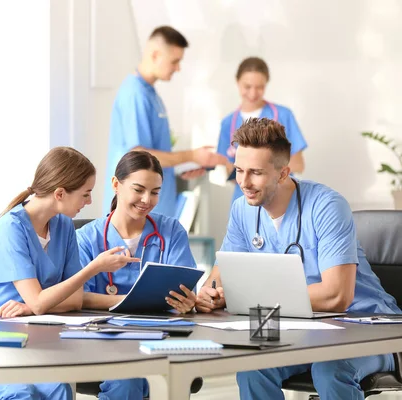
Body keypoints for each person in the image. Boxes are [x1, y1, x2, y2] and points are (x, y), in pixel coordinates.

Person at [196, 118, 400, 400]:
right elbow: (220, 278)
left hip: (367, 328)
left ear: (283, 173)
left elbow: (336, 297)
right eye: (239, 170)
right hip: (303, 329)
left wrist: (250, 296)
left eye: (256, 172)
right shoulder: (243, 210)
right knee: (252, 368)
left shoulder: (327, 206)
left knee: (330, 370)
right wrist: (211, 294)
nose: (244, 182)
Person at [0, 147, 137, 400]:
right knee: (20, 394)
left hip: (22, 338)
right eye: (85, 194)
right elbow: (39, 302)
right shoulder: (9, 230)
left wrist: (34, 305)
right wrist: (93, 267)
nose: (89, 202)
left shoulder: (63, 227)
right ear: (60, 193)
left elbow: (74, 300)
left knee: (59, 388)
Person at [77, 150, 198, 400]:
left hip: (160, 335)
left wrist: (187, 301)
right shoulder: (86, 238)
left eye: (155, 192)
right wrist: (133, 302)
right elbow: (79, 298)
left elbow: (186, 288)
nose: (147, 199)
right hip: (104, 337)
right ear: (115, 185)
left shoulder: (171, 231)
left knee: (156, 373)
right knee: (130, 376)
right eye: (138, 189)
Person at [105, 25, 227, 218]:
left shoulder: (151, 94)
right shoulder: (134, 94)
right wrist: (191, 156)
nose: (178, 68)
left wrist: (179, 169)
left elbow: (154, 156)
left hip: (155, 211)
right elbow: (139, 154)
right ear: (155, 55)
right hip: (136, 214)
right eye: (175, 61)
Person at [217, 57, 308, 204]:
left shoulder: (283, 115)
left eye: (259, 87)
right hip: (245, 200)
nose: (253, 93)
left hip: (280, 199)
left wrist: (265, 176)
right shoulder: (228, 123)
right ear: (237, 82)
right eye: (247, 86)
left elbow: (298, 164)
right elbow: (229, 170)